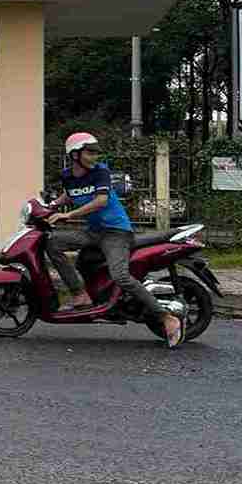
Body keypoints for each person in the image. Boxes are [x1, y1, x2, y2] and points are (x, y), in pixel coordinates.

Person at [45, 132, 182, 348]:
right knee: (52, 242)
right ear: (74, 155)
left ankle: (166, 317)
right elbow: (70, 194)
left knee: (121, 276)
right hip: (94, 232)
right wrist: (51, 206)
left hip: (116, 233)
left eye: (95, 152)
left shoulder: (101, 172)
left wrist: (68, 215)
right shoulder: (67, 175)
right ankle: (80, 295)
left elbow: (100, 201)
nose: (94, 157)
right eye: (89, 152)